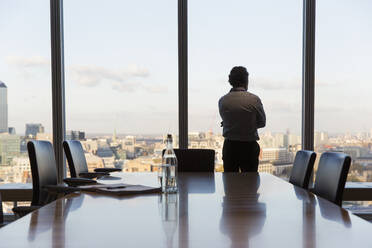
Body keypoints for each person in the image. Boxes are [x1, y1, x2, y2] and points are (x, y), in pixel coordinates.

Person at [218, 66, 266, 172]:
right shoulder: (254, 100)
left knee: (230, 183)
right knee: (250, 183)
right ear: (246, 81)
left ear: (231, 81)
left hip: (230, 147)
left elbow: (226, 121)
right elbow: (262, 123)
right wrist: (248, 124)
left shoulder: (223, 101)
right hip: (249, 147)